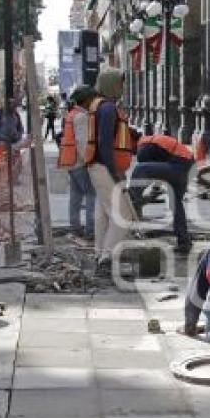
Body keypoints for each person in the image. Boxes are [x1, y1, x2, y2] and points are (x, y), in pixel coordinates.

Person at [85, 68, 137, 273]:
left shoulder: (99, 106)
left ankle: (100, 252)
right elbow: (105, 144)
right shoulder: (107, 109)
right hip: (104, 167)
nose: (123, 88)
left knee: (104, 213)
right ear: (111, 84)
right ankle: (106, 257)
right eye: (121, 83)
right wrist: (116, 173)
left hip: (97, 166)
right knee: (124, 216)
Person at [129, 133, 194, 254]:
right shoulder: (152, 141)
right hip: (187, 164)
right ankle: (184, 242)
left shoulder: (143, 146)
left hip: (179, 165)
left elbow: (147, 174)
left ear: (132, 141)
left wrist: (138, 197)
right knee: (176, 205)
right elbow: (157, 171)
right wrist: (155, 190)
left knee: (140, 169)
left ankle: (131, 201)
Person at [57, 85, 97, 240]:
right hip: (80, 162)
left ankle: (75, 227)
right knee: (91, 194)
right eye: (92, 99)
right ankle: (91, 230)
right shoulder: (82, 117)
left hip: (71, 162)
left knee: (76, 196)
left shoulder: (72, 114)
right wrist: (90, 161)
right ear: (86, 100)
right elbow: (82, 143)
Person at [0, 98, 26, 180]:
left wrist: (18, 136)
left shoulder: (15, 114)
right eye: (11, 104)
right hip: (1, 145)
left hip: (14, 145)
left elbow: (21, 128)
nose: (13, 106)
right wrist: (4, 138)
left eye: (14, 104)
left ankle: (13, 180)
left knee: (15, 165)